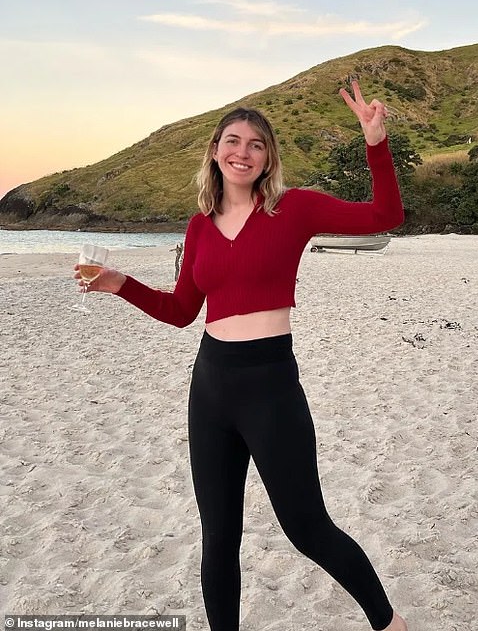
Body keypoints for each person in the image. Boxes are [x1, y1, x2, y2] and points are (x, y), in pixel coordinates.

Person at [75, 80, 408, 631]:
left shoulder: (294, 209)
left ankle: (389, 623)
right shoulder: (199, 227)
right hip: (210, 388)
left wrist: (376, 142)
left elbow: (385, 215)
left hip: (271, 385)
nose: (243, 151)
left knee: (306, 526)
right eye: (233, 140)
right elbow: (183, 310)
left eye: (256, 144)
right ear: (215, 150)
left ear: (268, 158)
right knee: (219, 536)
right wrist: (120, 284)